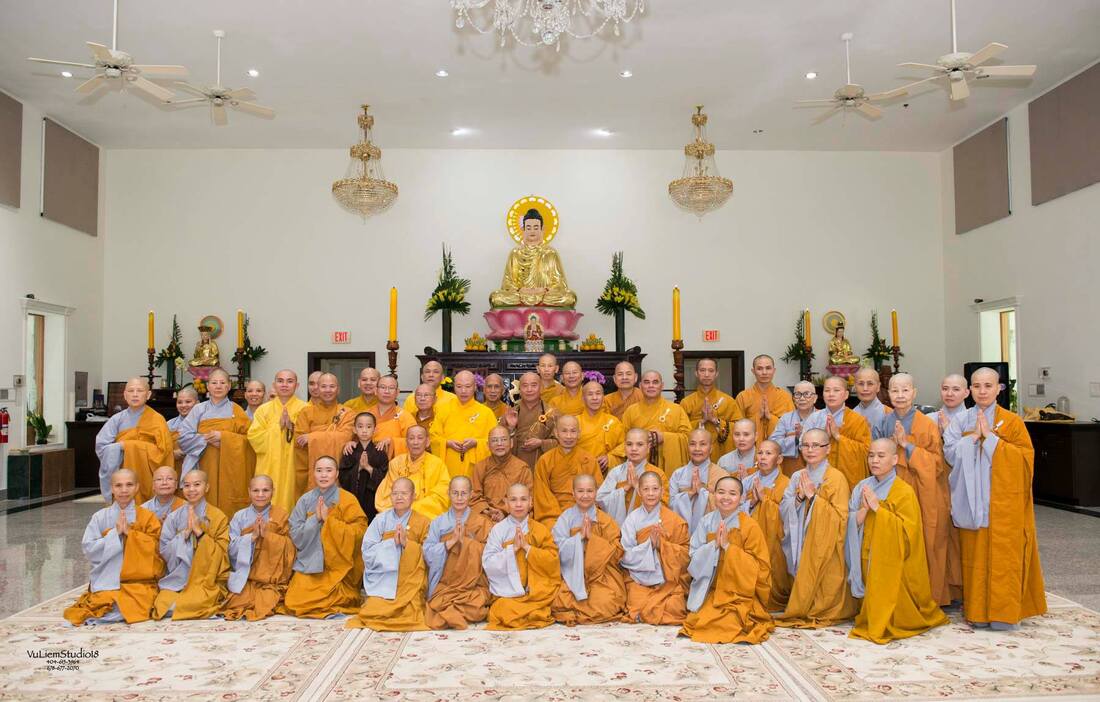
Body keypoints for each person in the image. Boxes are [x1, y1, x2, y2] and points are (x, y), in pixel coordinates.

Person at [943, 367, 1046, 630]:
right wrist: (973, 439)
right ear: (971, 389)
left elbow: (1024, 459)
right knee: (975, 556)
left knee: (1003, 556)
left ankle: (1003, 613)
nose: (982, 391)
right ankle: (977, 611)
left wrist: (990, 439)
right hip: (972, 499)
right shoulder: (962, 420)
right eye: (977, 386)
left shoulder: (1012, 421)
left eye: (988, 386)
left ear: (999, 388)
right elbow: (950, 453)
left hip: (1002, 500)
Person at [846, 439, 949, 644]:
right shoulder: (861, 487)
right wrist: (865, 510)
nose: (874, 460)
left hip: (893, 563)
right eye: (871, 455)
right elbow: (848, 521)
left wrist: (878, 510)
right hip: (866, 555)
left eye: (881, 456)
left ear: (894, 459)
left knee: (893, 613)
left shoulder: (904, 491)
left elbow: (908, 534)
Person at [877, 373, 961, 606]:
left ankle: (928, 597)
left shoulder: (926, 424)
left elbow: (936, 463)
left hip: (923, 491)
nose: (900, 395)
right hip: (892, 488)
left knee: (927, 541)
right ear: (888, 393)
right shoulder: (883, 422)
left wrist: (907, 446)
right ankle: (898, 595)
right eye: (895, 390)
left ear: (914, 393)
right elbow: (875, 456)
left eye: (905, 390)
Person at [776, 429, 857, 628]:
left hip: (825, 543)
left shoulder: (835, 478)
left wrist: (814, 498)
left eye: (816, 446)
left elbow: (840, 518)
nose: (810, 450)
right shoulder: (797, 476)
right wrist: (799, 498)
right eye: (805, 445)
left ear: (827, 449)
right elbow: (784, 507)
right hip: (801, 537)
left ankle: (821, 605)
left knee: (822, 594)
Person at [680, 476, 774, 644]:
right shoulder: (706, 521)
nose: (726, 498)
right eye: (721, 492)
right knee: (698, 620)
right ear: (713, 494)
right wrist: (714, 546)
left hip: (740, 594)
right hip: (711, 588)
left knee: (730, 621)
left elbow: (761, 568)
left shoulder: (750, 526)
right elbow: (693, 559)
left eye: (732, 493)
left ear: (741, 498)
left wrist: (728, 548)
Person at [64, 469, 164, 626]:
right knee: (104, 603)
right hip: (107, 580)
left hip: (139, 581)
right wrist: (114, 535)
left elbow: (157, 549)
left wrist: (131, 535)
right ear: (111, 488)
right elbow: (89, 549)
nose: (124, 490)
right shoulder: (100, 517)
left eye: (129, 485)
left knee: (147, 604)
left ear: (137, 487)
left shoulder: (148, 517)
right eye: (118, 485)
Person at [282, 456, 369, 618]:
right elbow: (295, 533)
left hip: (339, 566)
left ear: (336, 474)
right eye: (319, 470)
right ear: (313, 474)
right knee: (294, 601)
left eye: (328, 471)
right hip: (310, 562)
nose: (323, 475)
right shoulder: (305, 500)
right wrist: (315, 519)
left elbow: (360, 532)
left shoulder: (348, 499)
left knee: (343, 598)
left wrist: (329, 521)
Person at [348, 477, 431, 631]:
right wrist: (391, 545)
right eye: (395, 493)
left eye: (404, 493)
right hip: (384, 580)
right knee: (371, 610)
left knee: (412, 611)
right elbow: (367, 551)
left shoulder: (424, 522)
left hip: (410, 583)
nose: (399, 497)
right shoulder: (380, 520)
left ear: (414, 496)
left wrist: (408, 545)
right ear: (390, 496)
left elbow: (430, 554)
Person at [152, 469, 230, 621]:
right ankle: (187, 603)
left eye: (197, 484)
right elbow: (164, 551)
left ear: (206, 487)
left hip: (207, 579)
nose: (191, 489)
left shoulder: (218, 516)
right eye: (187, 485)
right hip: (179, 579)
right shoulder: (174, 517)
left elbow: (223, 553)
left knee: (195, 601)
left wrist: (200, 533)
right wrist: (184, 535)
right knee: (162, 603)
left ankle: (191, 602)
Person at [482, 483, 561, 630]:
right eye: (513, 500)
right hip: (508, 592)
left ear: (531, 502)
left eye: (523, 499)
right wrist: (512, 550)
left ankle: (533, 610)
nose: (518, 504)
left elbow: (553, 559)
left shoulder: (540, 529)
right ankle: (533, 612)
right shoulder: (498, 530)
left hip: (537, 590)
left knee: (560, 599)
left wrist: (527, 548)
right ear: (506, 503)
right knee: (501, 610)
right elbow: (488, 563)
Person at [177, 368, 255, 516]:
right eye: (214, 382)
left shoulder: (237, 411)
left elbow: (250, 440)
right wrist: (205, 439)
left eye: (222, 383)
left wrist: (224, 439)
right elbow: (183, 438)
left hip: (230, 468)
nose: (218, 386)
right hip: (203, 464)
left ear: (229, 386)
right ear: (208, 386)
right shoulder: (198, 410)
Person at [551, 473, 626, 625]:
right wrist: (578, 539)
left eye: (589, 491)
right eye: (580, 491)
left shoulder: (605, 520)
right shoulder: (566, 518)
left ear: (596, 492)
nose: (585, 495)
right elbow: (555, 549)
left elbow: (618, 552)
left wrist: (593, 539)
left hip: (601, 575)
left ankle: (579, 611)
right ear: (573, 493)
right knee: (558, 599)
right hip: (571, 572)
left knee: (607, 601)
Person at [619, 471, 691, 625]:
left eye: (655, 489)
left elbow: (685, 556)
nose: (650, 494)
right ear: (639, 491)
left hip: (667, 581)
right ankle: (647, 612)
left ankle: (645, 614)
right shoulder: (632, 519)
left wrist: (662, 545)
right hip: (639, 580)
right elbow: (624, 555)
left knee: (676, 607)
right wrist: (649, 545)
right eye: (646, 489)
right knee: (636, 602)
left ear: (662, 491)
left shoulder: (674, 520)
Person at [221, 475, 297, 621]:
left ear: (273, 492)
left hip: (272, 580)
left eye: (265, 490)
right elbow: (230, 549)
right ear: (249, 492)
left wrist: (268, 536)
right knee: (234, 601)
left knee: (266, 601)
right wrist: (252, 537)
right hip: (246, 576)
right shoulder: (239, 516)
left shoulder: (281, 515)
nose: (260, 495)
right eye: (256, 490)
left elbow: (291, 548)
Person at [424, 476, 493, 629]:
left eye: (463, 493)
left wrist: (467, 544)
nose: (459, 498)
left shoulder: (482, 522)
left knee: (478, 606)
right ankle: (453, 611)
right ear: (448, 494)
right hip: (445, 584)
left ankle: (451, 611)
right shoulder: (438, 522)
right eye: (455, 493)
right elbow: (427, 553)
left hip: (473, 585)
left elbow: (490, 556)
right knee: (438, 602)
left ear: (470, 495)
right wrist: (450, 543)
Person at [94, 377, 172, 503]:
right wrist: (118, 448)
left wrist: (129, 446)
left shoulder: (157, 420)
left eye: (140, 390)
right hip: (123, 476)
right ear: (125, 395)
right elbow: (102, 447)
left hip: (148, 477)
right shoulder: (116, 420)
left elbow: (164, 452)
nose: (135, 394)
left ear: (148, 395)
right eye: (131, 391)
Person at [489, 207, 577, 307]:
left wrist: (545, 290)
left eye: (536, 227)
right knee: (495, 297)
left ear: (542, 229)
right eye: (528, 228)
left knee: (570, 297)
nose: (532, 231)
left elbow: (560, 284)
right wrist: (520, 290)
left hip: (545, 295)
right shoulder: (515, 253)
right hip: (520, 295)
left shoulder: (550, 253)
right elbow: (507, 284)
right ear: (523, 230)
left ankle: (535, 304)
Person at [740, 440, 792, 611]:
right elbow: (736, 511)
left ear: (779, 459)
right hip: (750, 538)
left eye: (768, 454)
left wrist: (766, 501)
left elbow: (789, 515)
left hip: (775, 539)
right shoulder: (748, 481)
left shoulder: (787, 483)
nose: (763, 457)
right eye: (760, 453)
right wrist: (752, 503)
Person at [248, 369, 308, 513]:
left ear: (297, 385)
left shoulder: (306, 409)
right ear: (274, 385)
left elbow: (311, 438)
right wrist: (278, 427)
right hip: (270, 466)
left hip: (294, 465)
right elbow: (254, 437)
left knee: (293, 502)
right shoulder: (263, 410)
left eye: (289, 381)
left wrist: (292, 427)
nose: (284, 385)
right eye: (280, 381)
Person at [532, 414, 602, 528]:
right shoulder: (545, 460)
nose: (569, 436)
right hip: (553, 514)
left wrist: (583, 511)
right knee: (548, 532)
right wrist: (560, 518)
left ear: (579, 433)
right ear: (556, 433)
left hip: (584, 510)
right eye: (564, 431)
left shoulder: (589, 460)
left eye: (573, 431)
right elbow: (542, 495)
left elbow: (598, 492)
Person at [619, 371, 692, 476]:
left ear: (662, 386)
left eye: (655, 382)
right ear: (640, 386)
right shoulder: (631, 411)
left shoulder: (676, 409)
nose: (651, 386)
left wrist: (664, 437)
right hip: (639, 469)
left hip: (670, 469)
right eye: (647, 382)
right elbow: (623, 440)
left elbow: (688, 438)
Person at [293, 373, 355, 496]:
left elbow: (345, 437)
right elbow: (299, 441)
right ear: (318, 389)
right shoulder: (306, 412)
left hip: (338, 472)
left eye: (332, 386)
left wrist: (312, 437)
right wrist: (328, 433)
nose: (328, 390)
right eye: (324, 386)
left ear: (338, 389)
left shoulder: (348, 413)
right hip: (311, 470)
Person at [430, 370, 497, 478]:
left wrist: (476, 443)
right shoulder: (443, 409)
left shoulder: (486, 413)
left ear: (475, 387)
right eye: (459, 386)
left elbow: (495, 441)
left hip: (475, 470)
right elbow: (433, 438)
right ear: (454, 387)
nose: (463, 391)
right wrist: (447, 443)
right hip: (449, 467)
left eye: (468, 386)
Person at [375, 425, 450, 520]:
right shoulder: (396, 463)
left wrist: (413, 509)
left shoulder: (438, 464)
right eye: (411, 438)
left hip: (426, 517)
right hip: (398, 515)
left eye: (420, 438)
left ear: (427, 442)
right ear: (406, 442)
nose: (415, 442)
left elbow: (442, 495)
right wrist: (400, 510)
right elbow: (387, 492)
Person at [598, 428, 667, 525]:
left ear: (648, 448)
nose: (634, 449)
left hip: (646, 528)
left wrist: (637, 486)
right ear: (624, 447)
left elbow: (663, 507)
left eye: (639, 444)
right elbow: (600, 501)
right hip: (616, 529)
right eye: (629, 444)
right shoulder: (616, 472)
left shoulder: (657, 474)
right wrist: (626, 488)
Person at [679, 358, 743, 461]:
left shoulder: (728, 401)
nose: (707, 374)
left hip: (722, 453)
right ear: (696, 373)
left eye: (711, 370)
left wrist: (715, 420)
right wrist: (701, 421)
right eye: (702, 370)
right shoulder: (686, 402)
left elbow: (739, 429)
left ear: (716, 374)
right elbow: (681, 433)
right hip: (695, 454)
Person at [669, 429, 729, 534]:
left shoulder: (722, 475)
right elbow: (670, 505)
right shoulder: (677, 474)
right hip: (680, 534)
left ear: (711, 448)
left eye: (702, 444)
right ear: (687, 447)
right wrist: (690, 494)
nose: (697, 449)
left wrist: (702, 491)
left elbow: (727, 507)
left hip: (710, 535)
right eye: (692, 444)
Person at [817, 376, 872, 490]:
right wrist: (824, 437)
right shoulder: (814, 418)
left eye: (836, 390)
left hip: (849, 479)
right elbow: (805, 448)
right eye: (827, 390)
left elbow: (866, 451)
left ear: (846, 395)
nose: (831, 394)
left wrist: (838, 436)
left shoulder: (858, 420)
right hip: (820, 477)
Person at [469, 426, 533, 523]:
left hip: (514, 514)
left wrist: (504, 512)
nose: (499, 444)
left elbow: (528, 498)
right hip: (486, 516)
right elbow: (473, 496)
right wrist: (487, 511)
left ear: (511, 443)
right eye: (494, 440)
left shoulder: (522, 468)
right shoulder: (480, 467)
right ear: (488, 445)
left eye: (503, 440)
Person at [338, 412, 389, 522]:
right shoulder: (349, 451)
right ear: (354, 429)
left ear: (375, 430)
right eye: (360, 426)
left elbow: (386, 480)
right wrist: (359, 468)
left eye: (369, 426)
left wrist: (368, 468)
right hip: (353, 499)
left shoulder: (380, 452)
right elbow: (342, 477)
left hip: (373, 501)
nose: (364, 430)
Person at [500, 372, 557, 468]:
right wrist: (511, 429)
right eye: (525, 386)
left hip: (543, 469)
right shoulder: (510, 414)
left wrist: (541, 443)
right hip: (514, 469)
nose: (529, 389)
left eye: (534, 385)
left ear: (541, 388)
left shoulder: (552, 413)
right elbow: (498, 443)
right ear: (519, 389)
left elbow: (563, 443)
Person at [736, 355, 795, 447]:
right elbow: (737, 428)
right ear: (753, 371)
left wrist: (770, 418)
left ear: (774, 370)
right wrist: (757, 417)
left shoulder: (785, 396)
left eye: (768, 368)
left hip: (778, 448)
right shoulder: (743, 396)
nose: (764, 372)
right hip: (750, 449)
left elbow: (791, 427)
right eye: (759, 369)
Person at [768, 381, 820, 471]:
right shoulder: (786, 418)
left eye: (806, 394)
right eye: (798, 394)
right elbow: (773, 444)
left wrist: (803, 438)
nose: (802, 398)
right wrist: (795, 439)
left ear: (815, 398)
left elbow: (827, 444)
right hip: (790, 471)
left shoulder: (822, 417)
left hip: (817, 469)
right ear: (793, 399)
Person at [576, 381, 625, 472]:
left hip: (608, 475)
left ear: (603, 397)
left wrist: (609, 458)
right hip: (581, 473)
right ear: (583, 398)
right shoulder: (575, 422)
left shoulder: (614, 422)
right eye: (590, 394)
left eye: (598, 394)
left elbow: (625, 445)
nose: (595, 398)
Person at [368, 375, 416, 456]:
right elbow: (356, 440)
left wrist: (392, 442)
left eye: (391, 388)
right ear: (376, 391)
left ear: (397, 392)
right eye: (383, 387)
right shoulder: (366, 414)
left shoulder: (405, 416)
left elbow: (415, 441)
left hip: (396, 465)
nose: (387, 391)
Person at [168, 387, 198, 473]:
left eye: (188, 402)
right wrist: (172, 453)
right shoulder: (169, 424)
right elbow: (162, 448)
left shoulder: (203, 423)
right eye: (179, 402)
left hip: (197, 467)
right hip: (175, 468)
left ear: (197, 403)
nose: (183, 405)